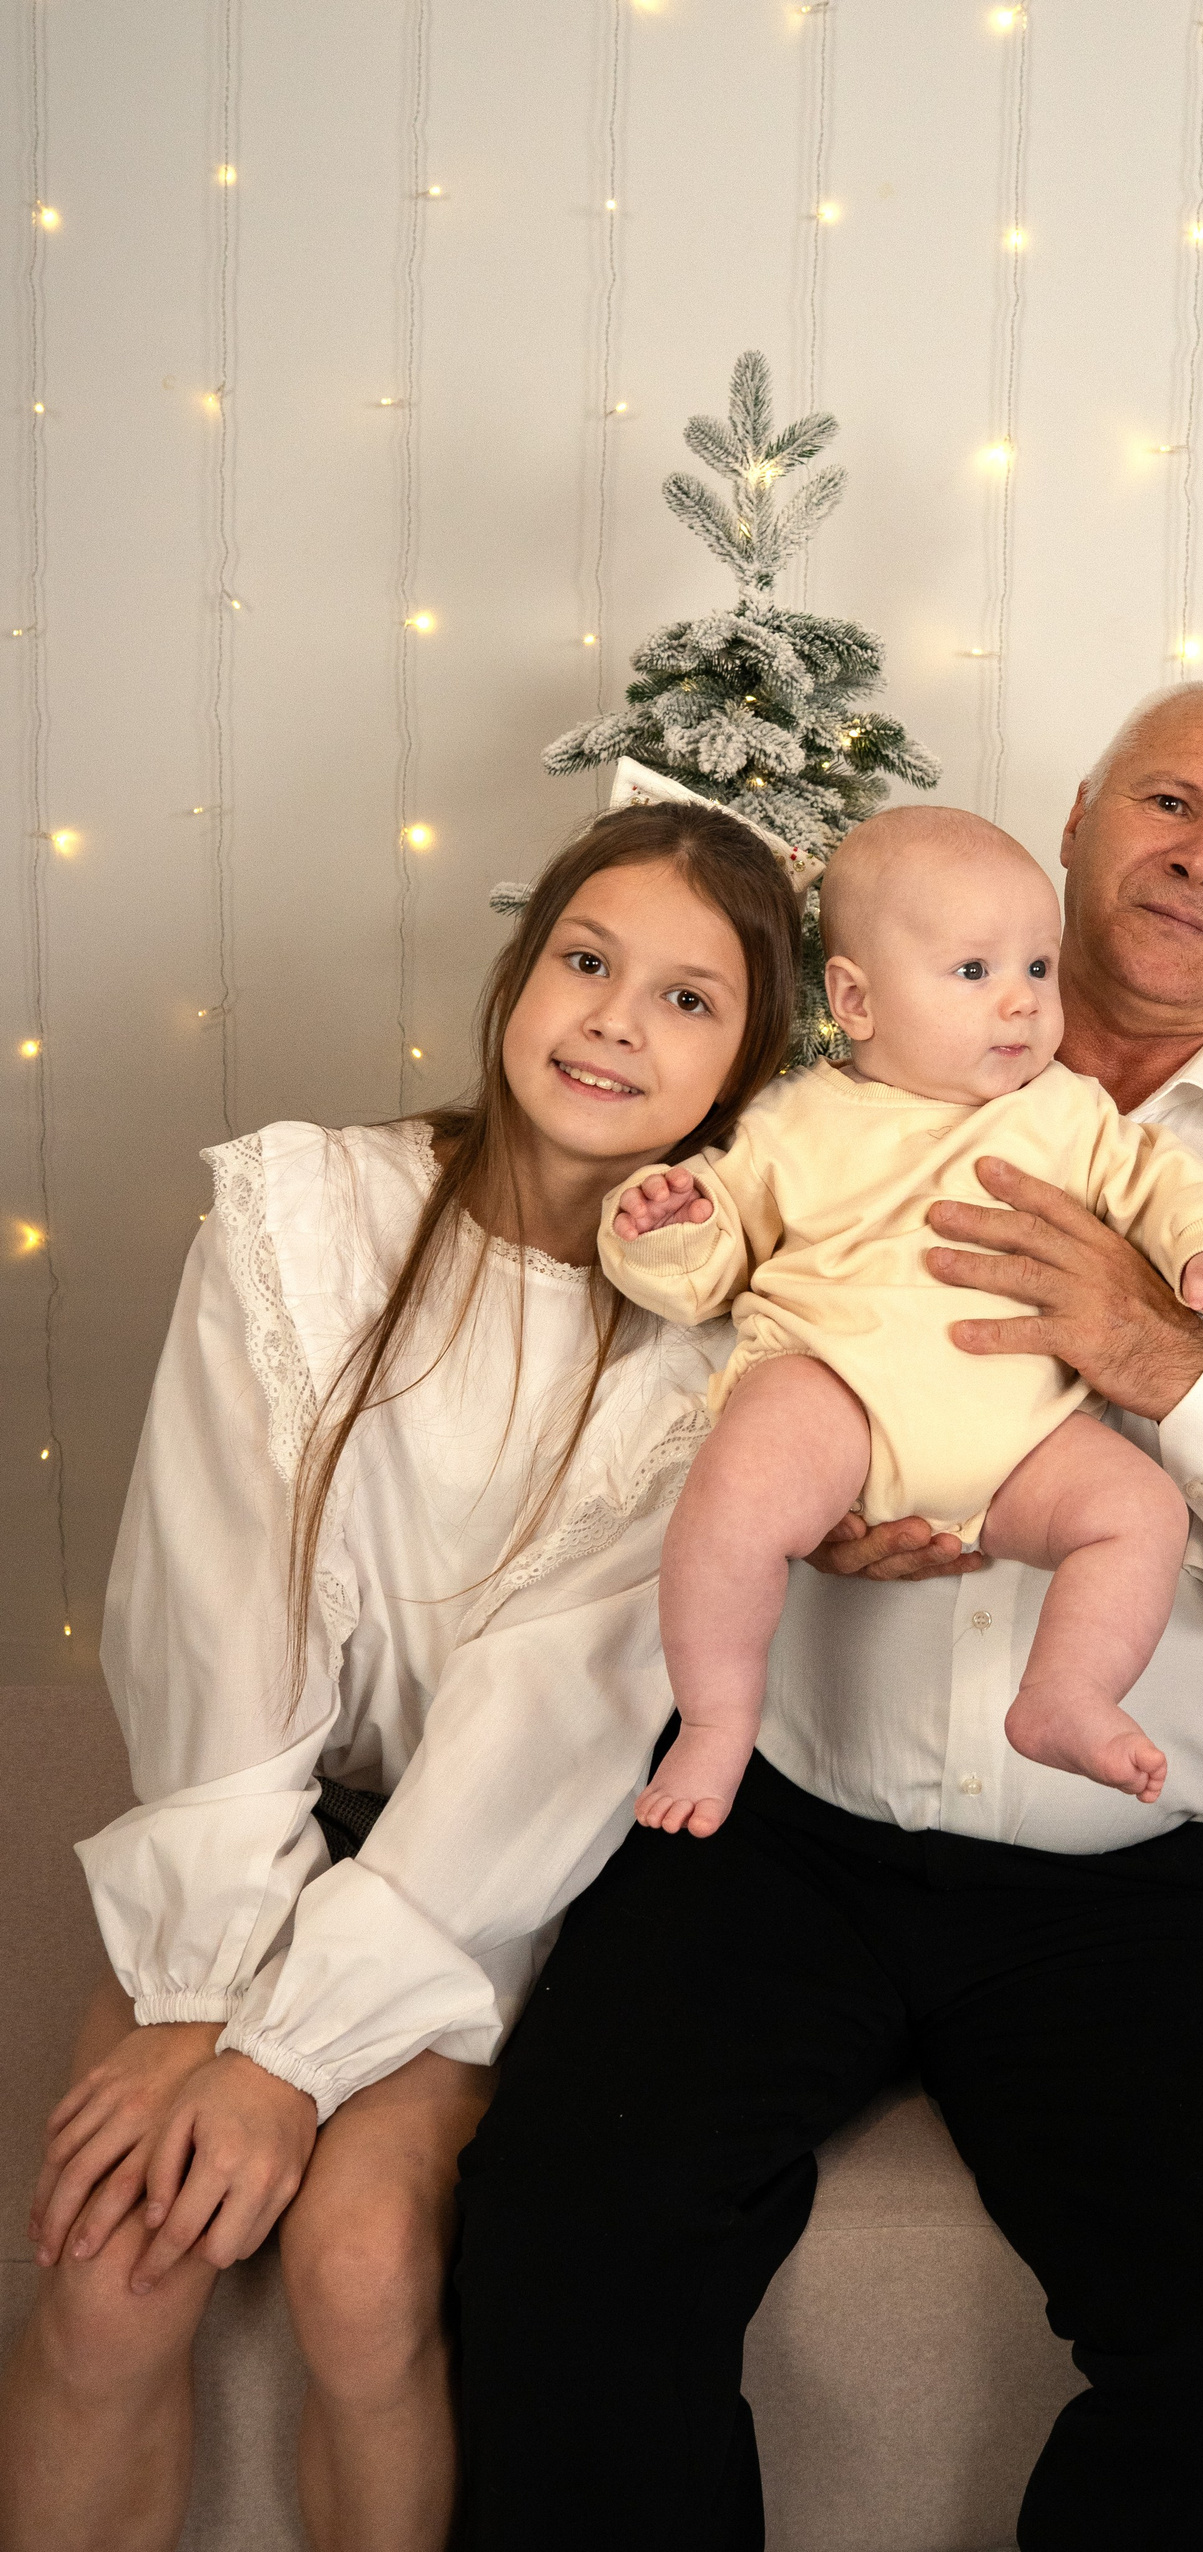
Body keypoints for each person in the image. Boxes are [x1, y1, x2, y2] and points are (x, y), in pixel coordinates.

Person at [454, 679, 1203, 2552]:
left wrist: (1175, 1364)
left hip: (1131, 1883)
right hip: (775, 1831)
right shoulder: (807, 1096)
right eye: (1169, 802)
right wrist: (790, 1482)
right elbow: (627, 1338)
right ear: (1079, 825)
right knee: (562, 2254)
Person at [0, 803, 801, 2552]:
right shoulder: (311, 1216)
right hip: (267, 1806)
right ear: (520, 971)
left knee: (364, 2262)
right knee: (120, 2259)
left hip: (502, 1870)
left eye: (687, 1000)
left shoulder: (726, 1357)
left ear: (747, 1069)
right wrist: (204, 1984)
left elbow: (548, 1726)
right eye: (586, 960)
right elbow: (224, 1599)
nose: (613, 1021)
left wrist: (292, 2056)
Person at [605, 808, 1203, 1832]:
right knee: (736, 1494)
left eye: (1038, 967)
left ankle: (1067, 1692)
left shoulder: (1066, 1111)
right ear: (856, 1000)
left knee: (1141, 1511)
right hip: (839, 1394)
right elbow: (707, 1265)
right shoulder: (796, 1120)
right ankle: (717, 1716)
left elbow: (1164, 1182)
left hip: (1024, 1439)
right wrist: (672, 1226)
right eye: (973, 970)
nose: (1022, 999)